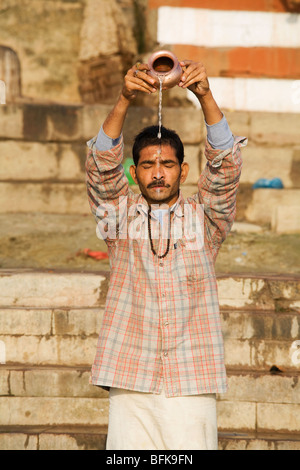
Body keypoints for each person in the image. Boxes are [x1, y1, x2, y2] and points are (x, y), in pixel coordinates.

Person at [85, 59, 247, 450]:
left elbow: (224, 170)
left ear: (184, 171)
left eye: (167, 164)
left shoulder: (207, 220)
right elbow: (99, 168)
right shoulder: (118, 219)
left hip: (192, 377)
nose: (158, 172)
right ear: (134, 172)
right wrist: (124, 98)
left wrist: (204, 95)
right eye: (148, 165)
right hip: (130, 376)